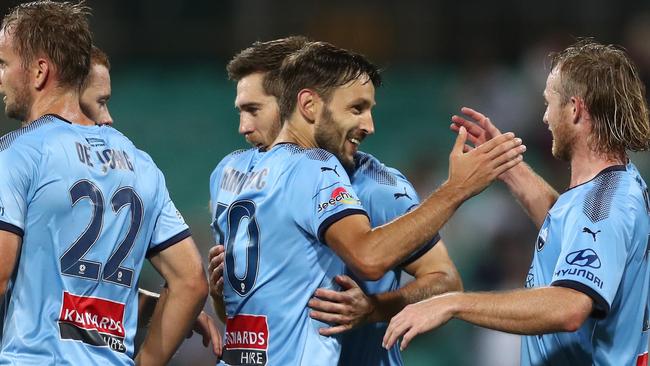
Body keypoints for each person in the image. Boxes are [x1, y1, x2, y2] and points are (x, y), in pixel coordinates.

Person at [209, 40, 525, 364]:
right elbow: (238, 310)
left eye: (254, 109)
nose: (246, 127)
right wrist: (222, 291)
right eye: (357, 108)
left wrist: (376, 309)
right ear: (306, 103)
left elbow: (445, 281)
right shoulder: (275, 173)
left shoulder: (377, 186)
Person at [383, 39, 650, 366]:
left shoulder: (603, 205)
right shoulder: (613, 186)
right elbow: (565, 229)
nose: (544, 117)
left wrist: (453, 303)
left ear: (576, 109)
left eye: (549, 103)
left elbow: (570, 306)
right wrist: (507, 165)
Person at [0, 2, 208, 365]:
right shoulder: (142, 166)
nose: (0, 76)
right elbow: (191, 282)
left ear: (38, 71)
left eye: (4, 64)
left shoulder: (18, 153)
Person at [78, 44, 222, 357]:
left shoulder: (26, 162)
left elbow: (57, 292)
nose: (109, 118)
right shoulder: (140, 167)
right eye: (100, 102)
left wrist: (162, 309)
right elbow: (191, 282)